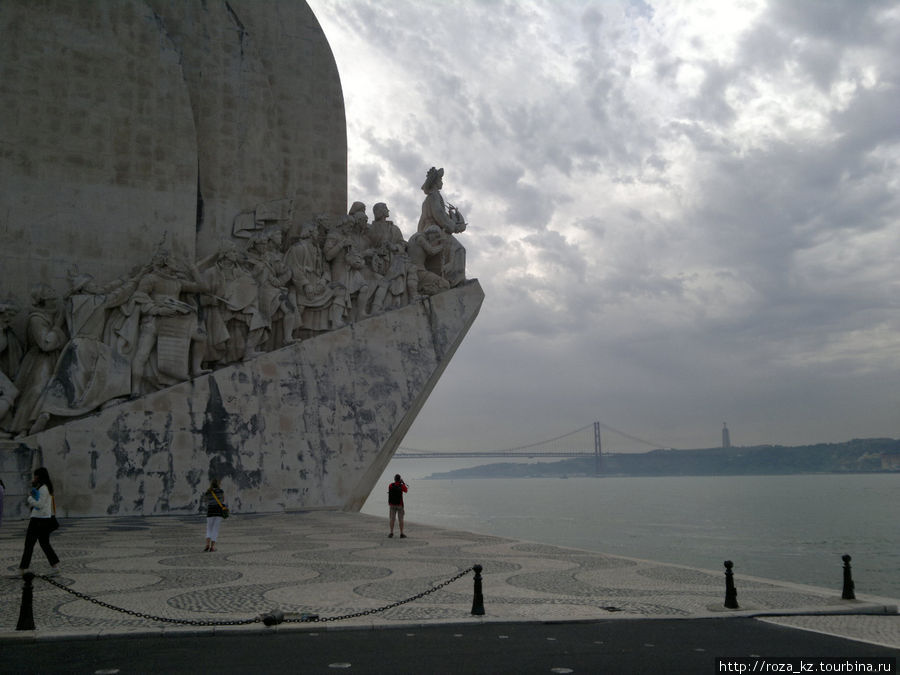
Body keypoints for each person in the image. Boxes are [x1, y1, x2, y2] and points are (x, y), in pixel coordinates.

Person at [18, 467, 60, 576]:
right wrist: (33, 488)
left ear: (39, 476)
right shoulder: (45, 487)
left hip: (38, 521)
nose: (34, 477)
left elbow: (39, 504)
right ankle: (55, 567)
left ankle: (23, 568)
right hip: (43, 520)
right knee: (44, 543)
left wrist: (29, 499)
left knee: (29, 544)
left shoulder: (43, 488)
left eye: (35, 475)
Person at [202, 478, 227, 552]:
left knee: (209, 529)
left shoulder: (208, 492)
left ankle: (207, 545)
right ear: (218, 484)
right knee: (215, 529)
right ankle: (212, 547)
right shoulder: (221, 491)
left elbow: (205, 500)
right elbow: (223, 500)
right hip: (218, 512)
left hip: (210, 511)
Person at [387, 474, 408, 538]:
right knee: (401, 519)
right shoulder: (401, 486)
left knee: (392, 519)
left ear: (394, 479)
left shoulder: (390, 485)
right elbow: (406, 490)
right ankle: (401, 533)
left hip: (392, 505)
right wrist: (403, 483)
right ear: (399, 479)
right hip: (400, 505)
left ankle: (391, 532)